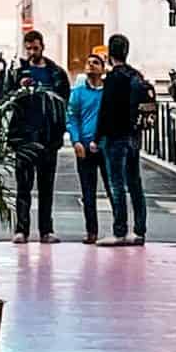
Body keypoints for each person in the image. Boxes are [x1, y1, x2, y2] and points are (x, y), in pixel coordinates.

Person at [6, 29, 70, 242]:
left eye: (35, 47)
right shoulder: (18, 73)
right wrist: (18, 89)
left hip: (48, 137)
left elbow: (64, 103)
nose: (32, 52)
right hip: (24, 136)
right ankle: (21, 229)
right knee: (23, 186)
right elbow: (7, 99)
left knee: (46, 186)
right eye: (29, 48)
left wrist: (59, 132)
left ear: (42, 46)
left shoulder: (56, 73)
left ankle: (46, 230)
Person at [94, 31, 154, 245]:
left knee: (117, 184)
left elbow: (105, 110)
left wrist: (96, 137)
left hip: (115, 136)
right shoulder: (136, 76)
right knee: (135, 183)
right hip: (133, 136)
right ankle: (139, 231)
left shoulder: (113, 78)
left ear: (110, 53)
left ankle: (120, 231)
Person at [67, 49, 111, 241]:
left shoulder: (109, 92)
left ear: (103, 69)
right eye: (89, 62)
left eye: (96, 62)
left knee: (113, 189)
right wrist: (76, 140)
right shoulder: (78, 93)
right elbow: (72, 117)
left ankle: (120, 228)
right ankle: (91, 231)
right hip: (84, 146)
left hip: (106, 147)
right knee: (88, 191)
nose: (91, 65)